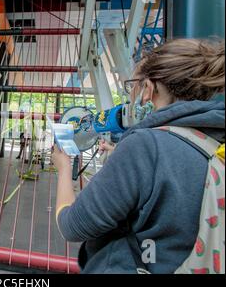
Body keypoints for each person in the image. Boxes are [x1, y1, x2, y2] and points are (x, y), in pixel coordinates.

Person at [52, 39, 225, 273]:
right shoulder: (213, 143)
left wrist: (64, 168)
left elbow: (72, 225)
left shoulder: (146, 146)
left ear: (148, 89)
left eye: (133, 85)